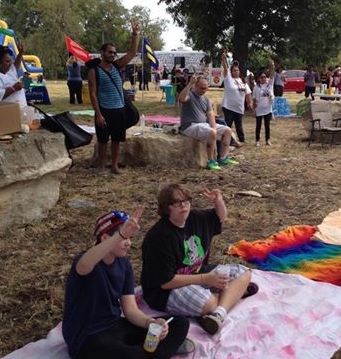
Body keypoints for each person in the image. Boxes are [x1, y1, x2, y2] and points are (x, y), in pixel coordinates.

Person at [62, 207, 193, 359]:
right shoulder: (86, 261)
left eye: (130, 238)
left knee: (179, 323)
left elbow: (130, 310)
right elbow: (84, 264)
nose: (128, 243)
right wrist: (120, 234)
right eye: (124, 238)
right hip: (87, 336)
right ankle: (158, 350)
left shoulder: (123, 264)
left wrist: (150, 323)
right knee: (129, 353)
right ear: (105, 238)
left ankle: (150, 350)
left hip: (116, 325)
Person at [141, 184, 256, 336]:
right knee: (208, 303)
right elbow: (165, 282)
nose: (183, 205)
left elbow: (220, 218)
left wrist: (218, 202)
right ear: (166, 208)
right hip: (164, 291)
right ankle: (228, 297)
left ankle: (219, 313)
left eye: (186, 201)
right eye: (177, 203)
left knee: (244, 274)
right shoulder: (159, 237)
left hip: (198, 272)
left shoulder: (195, 218)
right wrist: (204, 279)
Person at [87, 20, 140, 174]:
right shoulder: (94, 71)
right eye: (109, 52)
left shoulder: (117, 66)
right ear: (102, 53)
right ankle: (102, 167)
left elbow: (131, 53)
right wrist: (98, 114)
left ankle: (115, 166)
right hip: (104, 110)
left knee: (116, 139)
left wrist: (135, 35)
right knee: (103, 140)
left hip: (119, 110)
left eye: (114, 53)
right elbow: (92, 93)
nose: (112, 55)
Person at [178, 74, 238, 171]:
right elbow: (181, 98)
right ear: (195, 86)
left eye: (206, 88)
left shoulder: (206, 99)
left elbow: (210, 116)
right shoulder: (190, 94)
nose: (204, 90)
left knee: (227, 130)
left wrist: (214, 128)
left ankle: (223, 158)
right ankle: (211, 161)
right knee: (211, 132)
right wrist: (189, 84)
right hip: (190, 126)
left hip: (203, 124)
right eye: (202, 88)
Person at [221, 52, 253, 146]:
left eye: (237, 70)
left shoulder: (242, 81)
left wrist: (250, 103)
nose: (236, 72)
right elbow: (226, 68)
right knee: (228, 126)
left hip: (239, 108)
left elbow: (248, 93)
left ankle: (242, 140)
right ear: (231, 72)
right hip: (228, 107)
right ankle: (226, 141)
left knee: (239, 125)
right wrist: (224, 59)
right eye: (234, 70)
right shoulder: (228, 79)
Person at [252, 59, 275, 146]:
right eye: (262, 77)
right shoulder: (256, 87)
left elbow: (272, 75)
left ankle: (267, 140)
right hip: (259, 109)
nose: (263, 79)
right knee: (258, 125)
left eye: (265, 77)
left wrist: (272, 65)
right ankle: (257, 140)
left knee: (267, 125)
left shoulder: (269, 84)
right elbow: (254, 99)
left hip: (268, 108)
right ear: (259, 78)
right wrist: (254, 110)